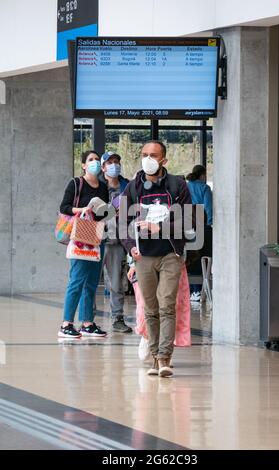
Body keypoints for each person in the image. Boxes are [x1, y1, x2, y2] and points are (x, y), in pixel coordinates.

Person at [121, 141, 193, 378]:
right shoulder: (133, 188)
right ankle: (154, 357)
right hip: (143, 257)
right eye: (144, 154)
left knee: (167, 304)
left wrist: (158, 227)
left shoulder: (178, 185)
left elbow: (188, 221)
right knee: (150, 309)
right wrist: (131, 247)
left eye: (153, 155)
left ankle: (165, 359)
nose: (148, 159)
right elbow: (122, 223)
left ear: (164, 160)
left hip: (171, 254)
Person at [58, 150, 109, 338]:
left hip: (97, 235)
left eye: (97, 159)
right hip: (80, 235)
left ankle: (87, 323)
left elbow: (104, 212)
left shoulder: (102, 187)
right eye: (91, 160)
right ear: (84, 165)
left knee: (92, 282)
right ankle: (66, 324)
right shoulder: (76, 183)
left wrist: (110, 211)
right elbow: (64, 207)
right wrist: (83, 209)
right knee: (77, 280)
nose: (95, 162)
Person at [99, 151, 132, 333]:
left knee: (116, 281)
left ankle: (118, 318)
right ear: (103, 167)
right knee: (90, 280)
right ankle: (88, 319)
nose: (114, 165)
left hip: (122, 238)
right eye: (110, 162)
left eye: (116, 161)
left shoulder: (127, 185)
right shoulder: (96, 186)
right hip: (99, 237)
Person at [186, 165, 213, 302]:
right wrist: (210, 223)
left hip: (186, 226)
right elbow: (208, 208)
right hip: (202, 226)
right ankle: (198, 290)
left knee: (190, 257)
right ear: (202, 175)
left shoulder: (185, 187)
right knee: (202, 256)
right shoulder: (204, 188)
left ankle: (191, 291)